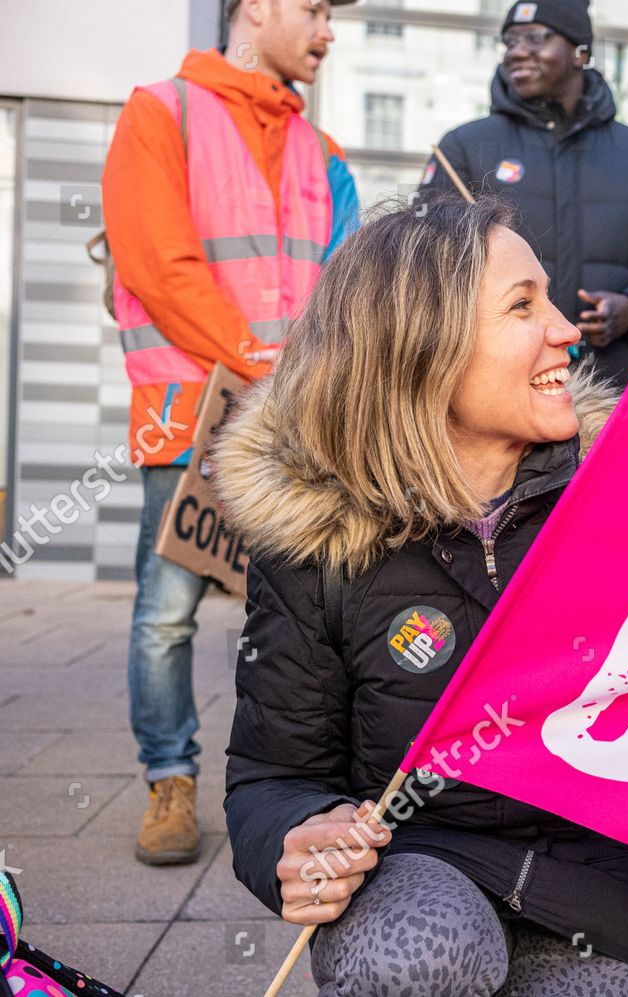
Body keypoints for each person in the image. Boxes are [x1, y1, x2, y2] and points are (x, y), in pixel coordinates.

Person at [212, 195, 628, 995]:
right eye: (523, 306)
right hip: (418, 866)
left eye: (553, 301)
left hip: (597, 899)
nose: (567, 331)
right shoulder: (317, 540)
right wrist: (297, 834)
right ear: (421, 350)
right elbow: (270, 778)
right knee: (416, 954)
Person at [100, 0, 360, 867]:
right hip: (195, 418)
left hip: (295, 423)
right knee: (167, 613)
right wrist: (264, 363)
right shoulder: (159, 111)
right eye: (316, 9)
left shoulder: (323, 153)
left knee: (305, 617)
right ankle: (170, 778)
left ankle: (296, 781)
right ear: (256, 8)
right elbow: (157, 265)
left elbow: (345, 280)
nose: (328, 30)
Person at [419, 0, 628, 388]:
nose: (518, 51)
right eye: (510, 41)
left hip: (611, 388)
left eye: (536, 38)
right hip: (494, 387)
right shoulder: (463, 148)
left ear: (580, 52)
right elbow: (427, 262)